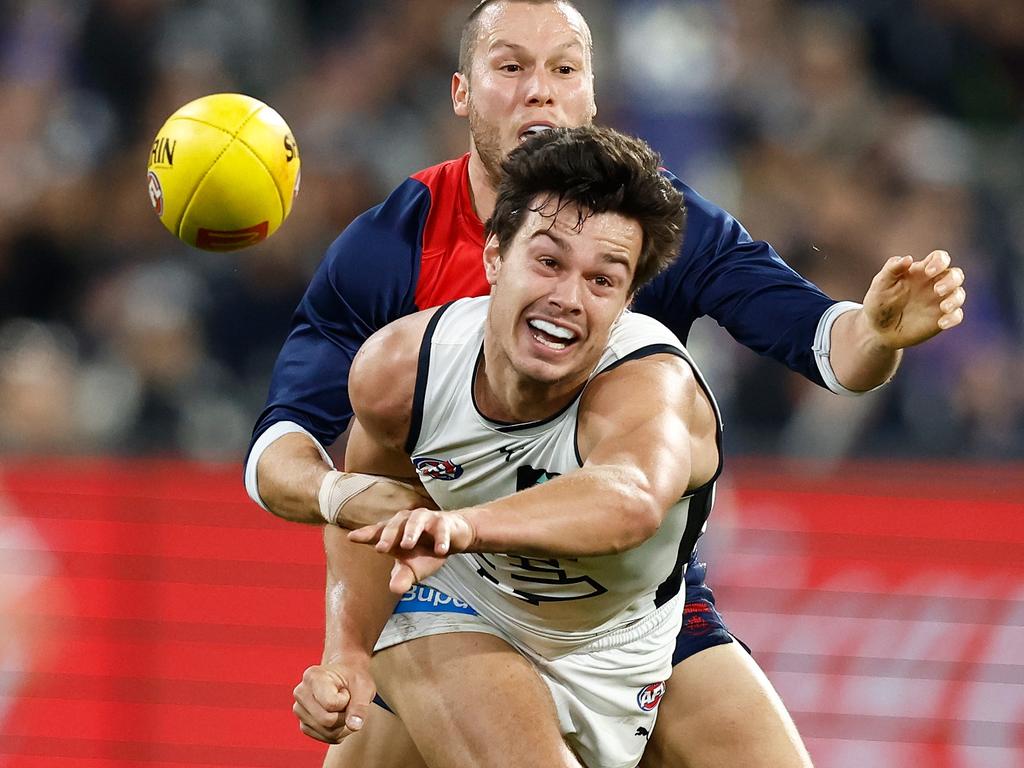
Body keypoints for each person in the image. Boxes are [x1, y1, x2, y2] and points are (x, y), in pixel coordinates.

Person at [245, 1, 967, 765]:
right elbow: (292, 453)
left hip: (633, 604)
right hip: (453, 595)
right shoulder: (393, 280)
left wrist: (881, 332)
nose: (539, 92)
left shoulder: (660, 230)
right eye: (511, 66)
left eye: (564, 69)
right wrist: (347, 631)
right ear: (462, 92)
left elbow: (829, 348)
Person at [323, 123, 727, 768]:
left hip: (632, 636)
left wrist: (462, 524)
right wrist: (343, 653)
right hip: (458, 606)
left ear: (626, 303)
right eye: (548, 262)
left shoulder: (651, 385)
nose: (567, 298)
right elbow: (372, 512)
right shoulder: (402, 370)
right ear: (492, 257)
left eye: (602, 280)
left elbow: (630, 501)